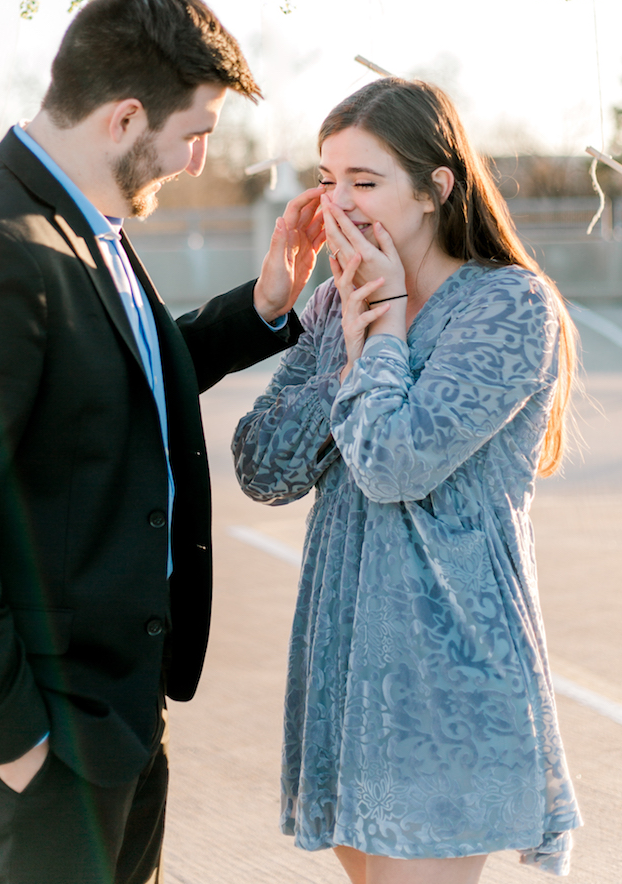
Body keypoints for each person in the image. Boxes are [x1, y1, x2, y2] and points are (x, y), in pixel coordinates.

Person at [0, 0, 325, 884]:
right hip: (40, 746)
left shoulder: (84, 224)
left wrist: (265, 306)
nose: (198, 161)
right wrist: (20, 748)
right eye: (194, 133)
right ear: (125, 119)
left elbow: (118, 384)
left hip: (115, 720)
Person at [233, 77, 583, 882]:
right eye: (327, 179)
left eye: (364, 181)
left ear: (435, 188)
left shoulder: (510, 305)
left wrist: (384, 335)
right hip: (345, 653)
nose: (339, 203)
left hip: (449, 661)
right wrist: (339, 352)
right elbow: (262, 468)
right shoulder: (332, 304)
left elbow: (394, 464)